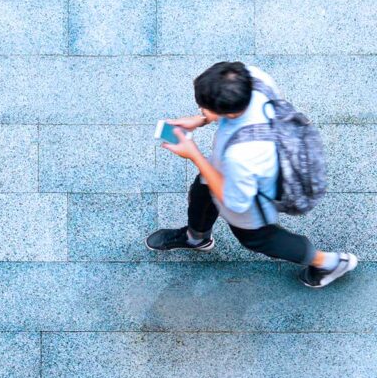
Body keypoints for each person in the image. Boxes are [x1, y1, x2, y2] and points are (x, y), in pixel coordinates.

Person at [146, 61, 357, 288]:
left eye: (203, 107)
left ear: (229, 112)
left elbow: (235, 201)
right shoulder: (254, 78)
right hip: (234, 168)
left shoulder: (244, 155)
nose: (200, 110)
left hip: (250, 198)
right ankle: (195, 238)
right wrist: (204, 119)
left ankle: (329, 263)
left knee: (258, 239)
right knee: (201, 193)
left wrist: (195, 155)